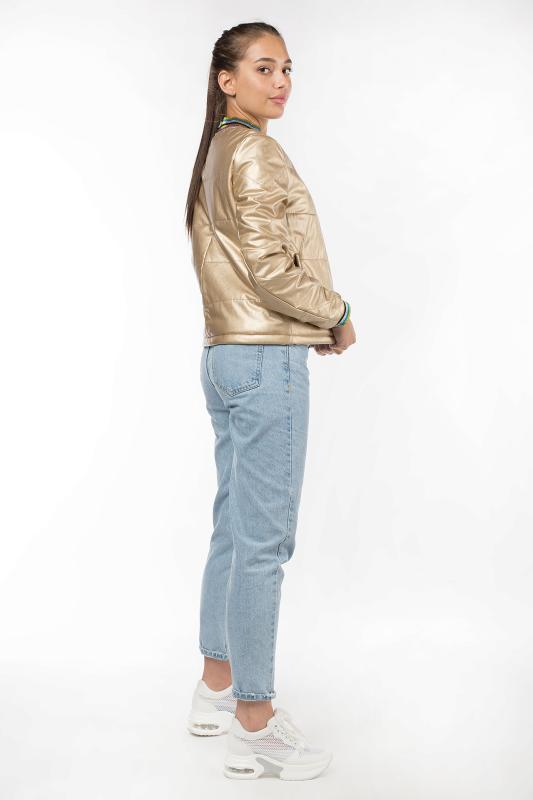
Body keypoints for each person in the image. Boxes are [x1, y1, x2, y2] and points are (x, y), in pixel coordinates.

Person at [184, 22, 356, 780]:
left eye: (287, 68)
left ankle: (216, 686)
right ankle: (254, 725)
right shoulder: (252, 151)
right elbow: (268, 269)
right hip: (262, 359)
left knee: (233, 527)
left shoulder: (218, 150)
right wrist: (334, 313)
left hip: (225, 354)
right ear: (227, 79)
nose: (280, 81)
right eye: (263, 68)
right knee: (262, 544)